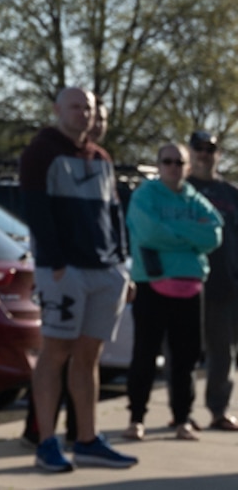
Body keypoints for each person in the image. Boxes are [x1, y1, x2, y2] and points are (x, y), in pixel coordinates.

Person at [20, 86, 138, 473]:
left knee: (90, 357)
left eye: (87, 107)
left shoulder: (101, 157)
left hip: (105, 270)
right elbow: (36, 210)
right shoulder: (42, 152)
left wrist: (122, 264)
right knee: (55, 353)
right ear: (57, 110)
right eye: (74, 106)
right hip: (65, 271)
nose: (82, 113)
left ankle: (87, 440)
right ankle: (46, 442)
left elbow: (115, 215)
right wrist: (54, 262)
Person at [124, 140, 224, 440]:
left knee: (186, 357)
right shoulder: (145, 195)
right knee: (145, 354)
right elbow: (149, 232)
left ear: (187, 167)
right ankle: (136, 419)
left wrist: (174, 234)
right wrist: (190, 239)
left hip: (191, 286)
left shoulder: (195, 198)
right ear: (158, 165)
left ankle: (182, 418)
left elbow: (214, 233)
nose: (173, 167)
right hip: (151, 284)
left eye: (179, 163)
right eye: (167, 161)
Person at [186, 130, 238, 431]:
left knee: (223, 352)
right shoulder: (181, 189)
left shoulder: (231, 193)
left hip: (225, 285)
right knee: (184, 351)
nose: (205, 154)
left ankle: (218, 410)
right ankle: (183, 412)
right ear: (190, 152)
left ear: (218, 154)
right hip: (186, 283)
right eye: (199, 148)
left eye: (210, 149)